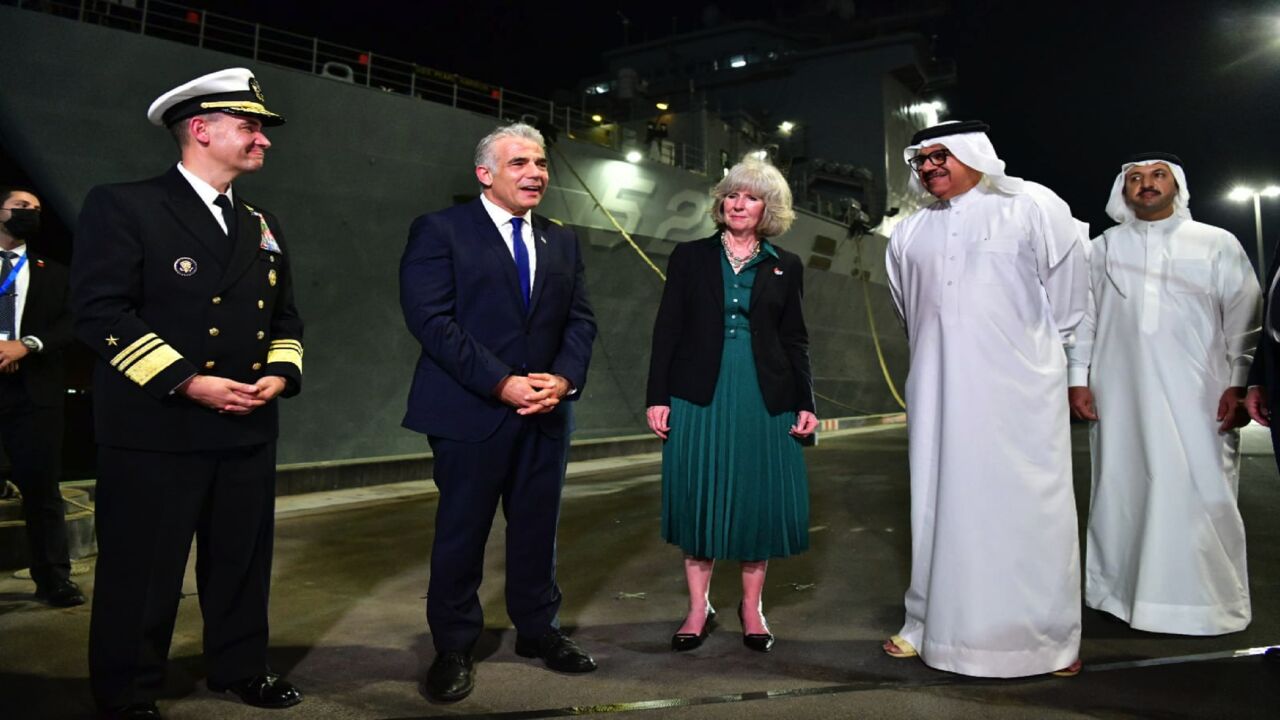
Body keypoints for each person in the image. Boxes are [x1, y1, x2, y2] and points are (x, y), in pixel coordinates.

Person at [72, 68, 304, 719]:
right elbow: (99, 312)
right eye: (250, 126)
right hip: (157, 426)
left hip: (246, 424)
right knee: (143, 572)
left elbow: (285, 318)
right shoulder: (125, 206)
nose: (263, 139)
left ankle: (240, 667)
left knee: (240, 564)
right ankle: (127, 689)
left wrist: (280, 374)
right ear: (201, 129)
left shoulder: (263, 222)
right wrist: (189, 381)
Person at [400, 122, 598, 703]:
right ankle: (454, 646)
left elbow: (580, 320)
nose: (535, 173)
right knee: (462, 532)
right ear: (485, 173)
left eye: (540, 163)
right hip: (469, 411)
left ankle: (539, 631)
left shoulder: (561, 240)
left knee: (538, 529)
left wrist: (562, 379)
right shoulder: (441, 231)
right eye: (519, 164)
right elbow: (431, 321)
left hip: (546, 411)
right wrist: (501, 382)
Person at [884, 120, 1088, 677]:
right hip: (937, 390)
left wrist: (1044, 359)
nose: (928, 167)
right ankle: (930, 627)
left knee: (1027, 507)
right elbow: (911, 312)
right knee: (936, 502)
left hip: (1018, 390)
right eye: (920, 160)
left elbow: (1070, 302)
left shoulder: (1033, 205)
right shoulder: (908, 231)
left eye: (939, 156)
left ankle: (1045, 641)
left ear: (976, 153)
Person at [1068, 153, 1259, 635]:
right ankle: (1121, 596)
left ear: (1178, 186)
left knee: (1200, 488)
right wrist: (1077, 377)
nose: (1145, 185)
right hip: (1120, 391)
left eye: (1157, 176)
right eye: (1135, 178)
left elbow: (1244, 314)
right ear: (1122, 191)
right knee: (1123, 487)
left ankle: (1206, 604)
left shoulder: (1216, 242)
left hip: (1200, 391)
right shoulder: (1103, 248)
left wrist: (1239, 381)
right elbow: (1084, 317)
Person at [645, 157, 817, 654]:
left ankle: (751, 607)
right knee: (700, 497)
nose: (739, 204)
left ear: (769, 208)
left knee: (755, 502)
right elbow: (667, 330)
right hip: (699, 391)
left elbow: (796, 339)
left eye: (751, 197)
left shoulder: (786, 264)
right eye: (732, 195)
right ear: (721, 202)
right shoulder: (690, 256)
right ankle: (698, 608)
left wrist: (805, 401)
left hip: (766, 395)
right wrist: (657, 396)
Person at [0, 186, 83, 608]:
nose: (30, 214)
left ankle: (54, 579)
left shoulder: (56, 271)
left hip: (36, 394)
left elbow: (73, 323)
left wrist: (25, 345)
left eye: (35, 210)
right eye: (20, 208)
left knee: (42, 491)